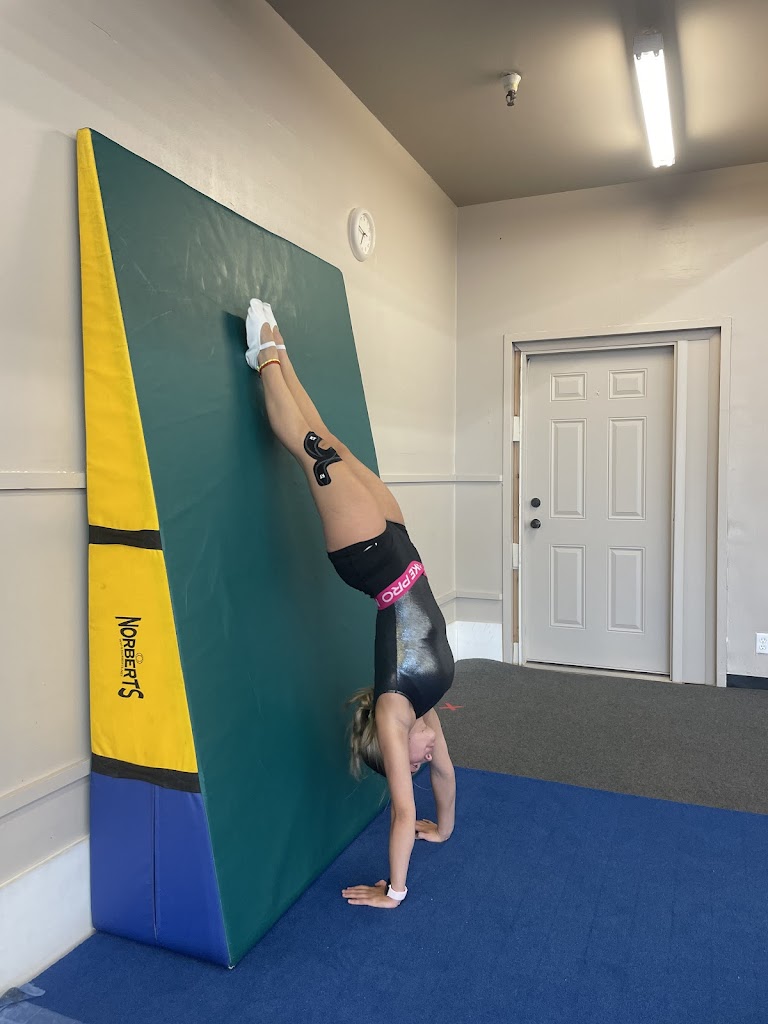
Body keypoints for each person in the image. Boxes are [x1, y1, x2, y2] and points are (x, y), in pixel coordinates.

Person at [245, 298, 456, 910]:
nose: (423, 760)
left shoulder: (396, 713)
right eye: (419, 763)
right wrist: (445, 828)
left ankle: (264, 359)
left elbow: (401, 813)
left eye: (409, 765)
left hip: (366, 556)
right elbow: (445, 776)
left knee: (310, 448)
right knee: (330, 440)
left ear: (391, 748)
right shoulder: (425, 715)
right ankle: (276, 351)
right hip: (401, 547)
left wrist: (395, 890)